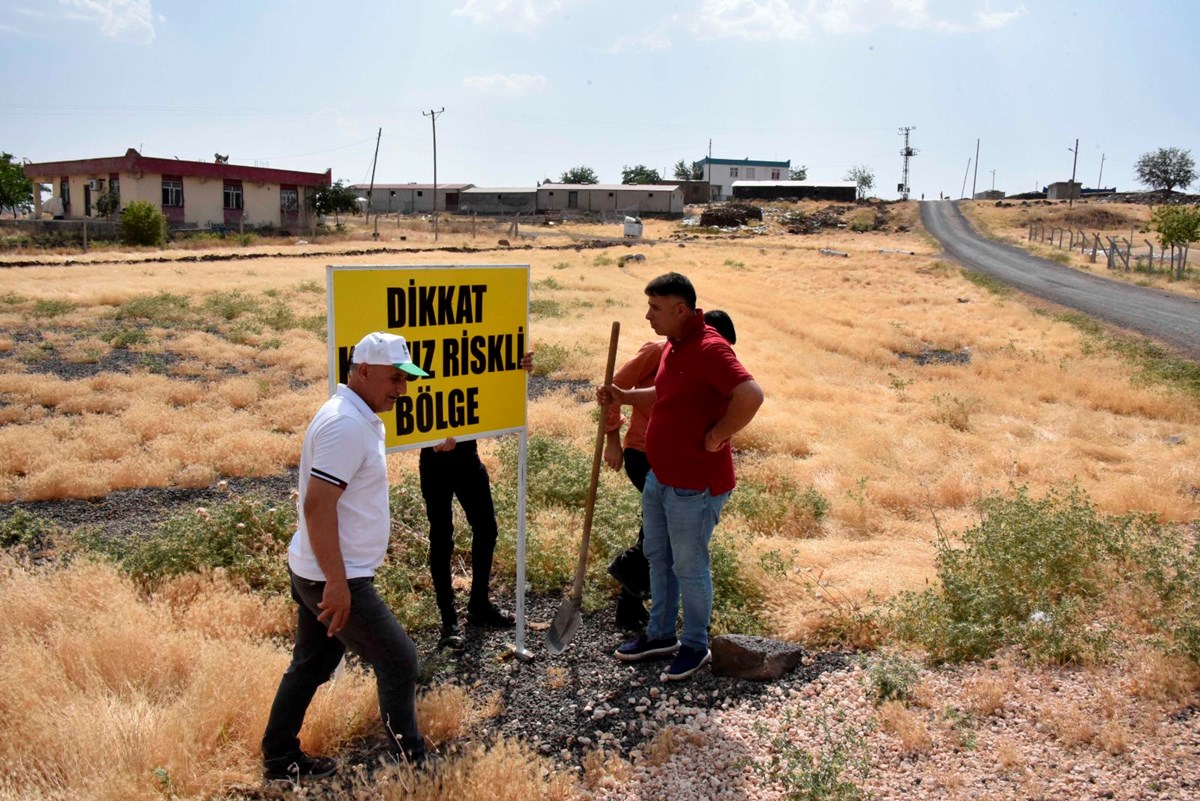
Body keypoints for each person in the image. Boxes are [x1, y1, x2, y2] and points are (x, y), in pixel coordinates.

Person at [261, 331, 431, 783]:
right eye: (394, 378)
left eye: (406, 378)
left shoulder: (356, 415)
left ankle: (279, 758)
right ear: (362, 372)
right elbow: (318, 505)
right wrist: (336, 583)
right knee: (399, 661)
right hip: (335, 577)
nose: (402, 388)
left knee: (312, 664)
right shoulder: (346, 424)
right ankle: (413, 765)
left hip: (318, 569)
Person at [599, 274, 763, 682]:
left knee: (689, 566)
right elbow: (663, 395)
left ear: (680, 309)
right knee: (659, 556)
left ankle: (694, 644)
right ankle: (660, 635)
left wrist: (717, 435)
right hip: (661, 477)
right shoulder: (673, 347)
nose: (648, 315)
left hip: (695, 483)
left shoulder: (710, 347)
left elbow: (751, 395)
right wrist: (624, 397)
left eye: (655, 307)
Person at [603, 310, 739, 630]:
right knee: (659, 532)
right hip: (643, 454)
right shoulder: (657, 352)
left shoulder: (705, 366)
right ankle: (630, 569)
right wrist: (612, 440)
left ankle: (630, 605)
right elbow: (613, 390)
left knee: (657, 529)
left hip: (677, 459)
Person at [421, 351, 533, 651]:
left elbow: (490, 371)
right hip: (433, 460)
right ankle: (449, 621)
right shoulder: (426, 350)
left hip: (468, 457)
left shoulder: (467, 345)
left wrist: (517, 367)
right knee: (442, 537)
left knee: (487, 528)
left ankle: (479, 604)